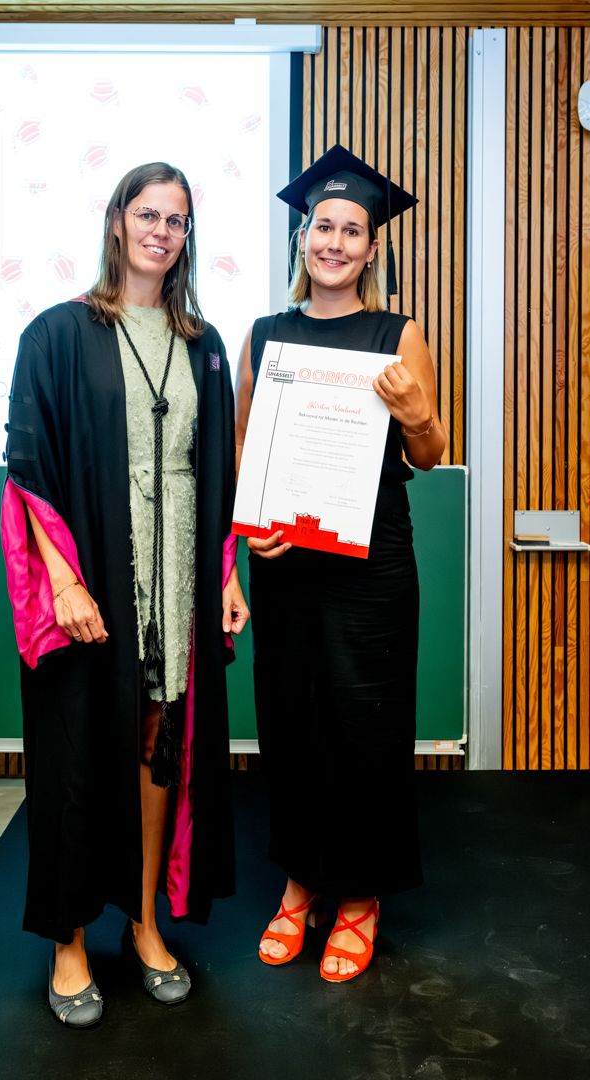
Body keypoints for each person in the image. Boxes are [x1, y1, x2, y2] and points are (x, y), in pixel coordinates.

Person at [1, 161, 248, 1027]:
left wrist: (226, 574)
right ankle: (69, 941)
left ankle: (145, 921)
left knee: (158, 742)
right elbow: (27, 464)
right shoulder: (58, 333)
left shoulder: (203, 343)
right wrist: (64, 580)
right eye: (148, 214)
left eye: (177, 221)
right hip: (95, 568)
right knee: (77, 749)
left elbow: (216, 472)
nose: (161, 232)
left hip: (177, 569)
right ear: (116, 221)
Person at [234, 145, 445, 983]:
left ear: (371, 248)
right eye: (322, 226)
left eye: (351, 231)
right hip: (288, 560)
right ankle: (301, 881)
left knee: (367, 727)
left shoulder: (398, 335)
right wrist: (251, 531)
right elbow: (246, 447)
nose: (334, 242)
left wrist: (416, 410)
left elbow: (429, 452)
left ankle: (359, 895)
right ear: (303, 239)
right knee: (292, 724)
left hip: (373, 564)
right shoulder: (267, 336)